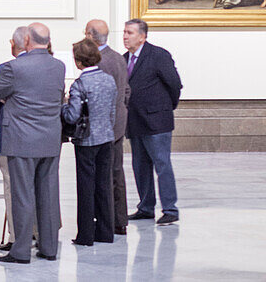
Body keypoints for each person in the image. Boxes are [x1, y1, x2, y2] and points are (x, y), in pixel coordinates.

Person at [0, 21, 65, 264]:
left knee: (22, 195)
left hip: (21, 140)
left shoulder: (14, 67)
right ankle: (49, 247)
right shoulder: (59, 66)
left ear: (27, 41)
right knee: (49, 195)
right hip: (50, 139)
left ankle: (21, 251)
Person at [123, 19, 182, 226]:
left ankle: (170, 209)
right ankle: (146, 207)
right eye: (124, 32)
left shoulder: (158, 55)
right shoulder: (124, 59)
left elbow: (175, 85)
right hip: (135, 121)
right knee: (140, 165)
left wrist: (166, 107)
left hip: (157, 121)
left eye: (130, 32)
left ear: (142, 36)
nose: (125, 36)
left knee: (162, 164)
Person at [63, 38, 116, 246]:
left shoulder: (80, 84)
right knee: (104, 184)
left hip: (86, 140)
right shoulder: (108, 79)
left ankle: (85, 234)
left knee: (85, 186)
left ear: (78, 62)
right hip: (106, 136)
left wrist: (62, 107)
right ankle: (105, 231)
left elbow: (72, 116)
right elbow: (112, 110)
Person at [84, 19, 130, 234]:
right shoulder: (119, 57)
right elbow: (126, 90)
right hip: (119, 122)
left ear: (91, 35)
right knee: (116, 173)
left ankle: (107, 221)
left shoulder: (100, 61)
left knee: (104, 176)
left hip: (104, 126)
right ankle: (119, 220)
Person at [0, 26, 29, 253]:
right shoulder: (51, 67)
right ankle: (39, 232)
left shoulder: (6, 68)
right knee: (39, 186)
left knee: (12, 187)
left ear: (13, 44)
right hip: (40, 139)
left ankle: (16, 237)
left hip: (10, 136)